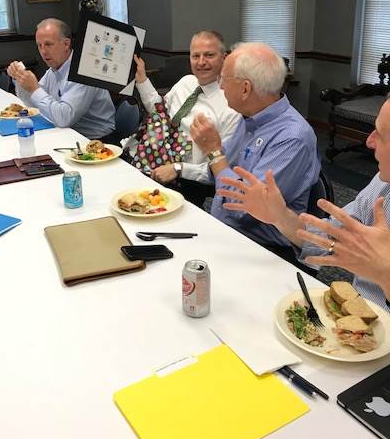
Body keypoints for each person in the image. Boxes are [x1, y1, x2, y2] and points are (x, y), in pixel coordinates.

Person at [216, 97, 390, 309]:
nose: (369, 141)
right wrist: (280, 216)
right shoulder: (382, 186)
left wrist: (386, 275)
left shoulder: (293, 134)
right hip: (362, 317)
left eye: (380, 135)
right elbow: (331, 238)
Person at [190, 42, 320, 248]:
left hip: (263, 247)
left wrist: (213, 151)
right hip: (226, 228)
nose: (221, 86)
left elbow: (242, 207)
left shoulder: (292, 137)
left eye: (223, 79)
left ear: (245, 88)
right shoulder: (250, 117)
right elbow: (223, 171)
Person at [132, 31, 241, 204]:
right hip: (154, 162)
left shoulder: (231, 106)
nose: (201, 62)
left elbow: (223, 168)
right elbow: (160, 114)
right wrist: (142, 79)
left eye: (209, 55)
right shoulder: (186, 82)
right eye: (195, 56)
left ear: (224, 58)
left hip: (190, 185)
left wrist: (178, 169)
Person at [7, 18, 116, 141]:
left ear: (66, 44)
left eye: (48, 44)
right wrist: (19, 79)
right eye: (39, 45)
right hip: (68, 133)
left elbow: (64, 118)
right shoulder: (54, 68)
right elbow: (33, 104)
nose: (43, 51)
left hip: (96, 140)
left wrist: (34, 88)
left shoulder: (83, 71)